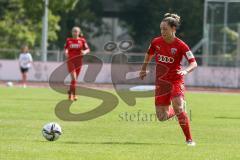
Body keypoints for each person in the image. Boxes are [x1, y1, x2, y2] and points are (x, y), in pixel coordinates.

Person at [139, 13, 198, 146]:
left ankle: (189, 139)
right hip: (161, 82)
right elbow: (148, 55)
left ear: (173, 29)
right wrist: (143, 69)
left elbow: (193, 63)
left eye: (165, 29)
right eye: (161, 29)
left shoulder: (181, 45)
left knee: (177, 105)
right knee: (162, 117)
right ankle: (178, 110)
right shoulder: (156, 42)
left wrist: (185, 71)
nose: (162, 31)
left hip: (175, 80)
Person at [64, 26, 90, 101]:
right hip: (71, 61)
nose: (74, 33)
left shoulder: (82, 40)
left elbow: (88, 49)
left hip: (79, 61)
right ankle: (74, 95)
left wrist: (84, 52)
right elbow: (66, 48)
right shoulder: (68, 40)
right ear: (71, 32)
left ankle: (70, 93)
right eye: (73, 31)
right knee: (74, 78)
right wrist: (66, 52)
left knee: (74, 80)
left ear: (79, 33)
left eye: (76, 31)